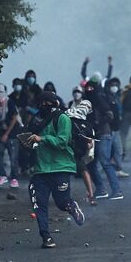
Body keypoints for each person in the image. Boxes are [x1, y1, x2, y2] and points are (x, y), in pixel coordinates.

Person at [24, 91, 85, 248]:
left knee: (61, 202)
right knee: (39, 204)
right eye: (42, 104)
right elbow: (33, 139)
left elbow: (62, 141)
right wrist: (28, 142)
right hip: (41, 169)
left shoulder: (62, 118)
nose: (44, 106)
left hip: (60, 167)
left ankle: (71, 206)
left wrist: (42, 139)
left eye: (47, 103)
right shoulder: (36, 120)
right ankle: (46, 236)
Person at [84, 77, 123, 200]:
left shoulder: (99, 98)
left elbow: (109, 114)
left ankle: (117, 191)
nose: (89, 90)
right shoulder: (86, 101)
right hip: (94, 135)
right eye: (87, 88)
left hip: (104, 134)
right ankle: (100, 189)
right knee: (90, 163)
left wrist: (98, 122)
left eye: (91, 88)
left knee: (105, 162)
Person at [66, 87, 98, 205]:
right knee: (66, 172)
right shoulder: (68, 117)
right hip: (66, 149)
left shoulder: (86, 125)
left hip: (76, 152)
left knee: (82, 170)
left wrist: (86, 143)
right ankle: (66, 197)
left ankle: (90, 195)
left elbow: (90, 144)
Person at [0, 82, 21, 188]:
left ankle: (14, 178)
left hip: (12, 134)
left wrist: (7, 134)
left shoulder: (10, 103)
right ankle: (2, 174)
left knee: (13, 157)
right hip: (1, 132)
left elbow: (14, 118)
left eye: (1, 92)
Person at [105, 77, 129, 177]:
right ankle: (101, 170)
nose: (114, 87)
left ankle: (118, 169)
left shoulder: (118, 97)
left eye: (116, 85)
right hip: (108, 128)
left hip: (116, 127)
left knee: (118, 150)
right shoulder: (106, 97)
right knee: (105, 151)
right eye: (112, 85)